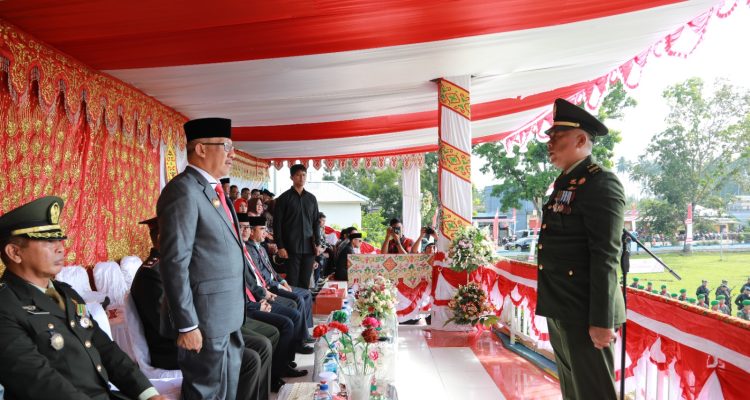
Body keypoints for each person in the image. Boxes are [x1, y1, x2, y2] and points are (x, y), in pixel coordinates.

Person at [0, 196, 166, 400]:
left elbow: (106, 349)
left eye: (59, 239)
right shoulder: (6, 304)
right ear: (15, 252)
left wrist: (147, 393)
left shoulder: (66, 293)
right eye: (49, 241)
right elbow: (38, 380)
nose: (61, 248)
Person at [535, 98, 625, 400]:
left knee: (594, 391)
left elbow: (606, 256)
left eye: (556, 136)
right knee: (573, 390)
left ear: (581, 139)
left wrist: (602, 320)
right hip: (561, 303)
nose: (550, 143)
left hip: (586, 310)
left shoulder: (601, 183)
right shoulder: (566, 182)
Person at [130, 217, 274, 400]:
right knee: (249, 359)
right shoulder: (151, 275)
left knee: (262, 345)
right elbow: (170, 325)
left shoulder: (173, 267)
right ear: (162, 239)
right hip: (176, 347)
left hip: (200, 331)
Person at [157, 117, 246, 399]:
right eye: (226, 146)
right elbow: (174, 262)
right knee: (206, 393)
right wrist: (187, 324)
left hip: (227, 315)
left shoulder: (214, 190)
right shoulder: (183, 190)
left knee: (227, 392)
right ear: (201, 149)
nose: (233, 154)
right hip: (204, 320)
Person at [245, 216, 313, 329]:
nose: (265, 232)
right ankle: (301, 336)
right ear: (251, 232)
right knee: (298, 299)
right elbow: (260, 276)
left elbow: (271, 270)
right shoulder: (249, 250)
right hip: (270, 287)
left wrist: (283, 281)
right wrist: (279, 286)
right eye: (262, 229)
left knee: (307, 294)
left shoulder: (261, 248)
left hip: (276, 283)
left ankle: (307, 329)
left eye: (265, 229)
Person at [273, 163, 321, 288]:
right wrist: (280, 246)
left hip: (309, 248)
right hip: (290, 248)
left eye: (304, 175)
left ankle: (305, 307)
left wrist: (318, 244)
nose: (302, 178)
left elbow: (316, 222)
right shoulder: (283, 198)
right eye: (298, 175)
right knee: (292, 282)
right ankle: (294, 307)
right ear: (292, 178)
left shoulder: (312, 199)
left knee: (305, 282)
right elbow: (277, 224)